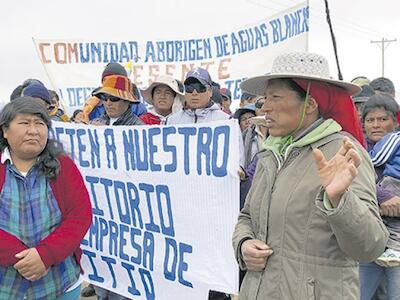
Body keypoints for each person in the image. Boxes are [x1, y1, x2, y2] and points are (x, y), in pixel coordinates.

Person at [232, 52, 388, 299]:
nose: (265, 106)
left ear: (310, 104)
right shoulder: (271, 152)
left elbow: (370, 246)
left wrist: (339, 201)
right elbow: (248, 215)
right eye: (264, 98)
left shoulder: (343, 152)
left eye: (275, 97)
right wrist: (244, 245)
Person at [0, 97, 92, 299]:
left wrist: (45, 255)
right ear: (5, 130)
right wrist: (25, 259)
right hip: (6, 285)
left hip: (60, 281)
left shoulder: (63, 166)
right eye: (24, 122)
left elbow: (80, 215)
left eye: (40, 123)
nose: (33, 130)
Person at [166, 67, 231, 300]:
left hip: (212, 209)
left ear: (209, 90)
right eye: (188, 88)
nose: (193, 93)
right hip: (181, 207)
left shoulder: (225, 122)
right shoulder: (172, 121)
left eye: (199, 88)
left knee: (210, 265)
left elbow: (237, 167)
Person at [91, 73, 144, 300]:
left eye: (114, 99)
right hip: (101, 206)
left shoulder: (139, 129)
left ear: (128, 102)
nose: (108, 103)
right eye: (105, 98)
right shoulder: (95, 126)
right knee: (103, 266)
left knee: (125, 271)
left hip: (127, 208)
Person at [359, 94, 400, 300]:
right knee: (357, 294)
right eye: (370, 120)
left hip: (397, 245)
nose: (376, 125)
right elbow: (351, 184)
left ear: (395, 121)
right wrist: (381, 196)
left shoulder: (395, 145)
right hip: (366, 240)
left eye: (383, 119)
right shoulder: (355, 148)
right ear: (363, 123)